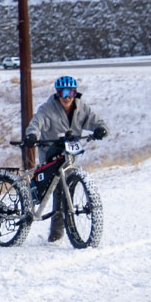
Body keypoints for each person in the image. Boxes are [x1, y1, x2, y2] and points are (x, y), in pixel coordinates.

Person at [24, 75, 108, 242]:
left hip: (69, 155)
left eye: (71, 92)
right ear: (57, 94)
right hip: (51, 154)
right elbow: (36, 123)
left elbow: (96, 121)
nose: (67, 97)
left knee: (64, 190)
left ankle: (57, 233)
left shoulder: (81, 108)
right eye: (63, 93)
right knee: (50, 188)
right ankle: (31, 207)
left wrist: (101, 129)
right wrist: (32, 135)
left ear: (75, 93)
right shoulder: (47, 108)